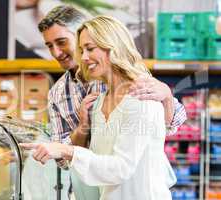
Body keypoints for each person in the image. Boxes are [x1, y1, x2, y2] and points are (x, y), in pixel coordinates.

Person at [37, 5, 186, 200]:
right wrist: (82, 128)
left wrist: (166, 96)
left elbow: (168, 126)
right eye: (49, 46)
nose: (56, 53)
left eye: (62, 42)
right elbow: (62, 160)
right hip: (95, 188)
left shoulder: (139, 90)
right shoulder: (65, 95)